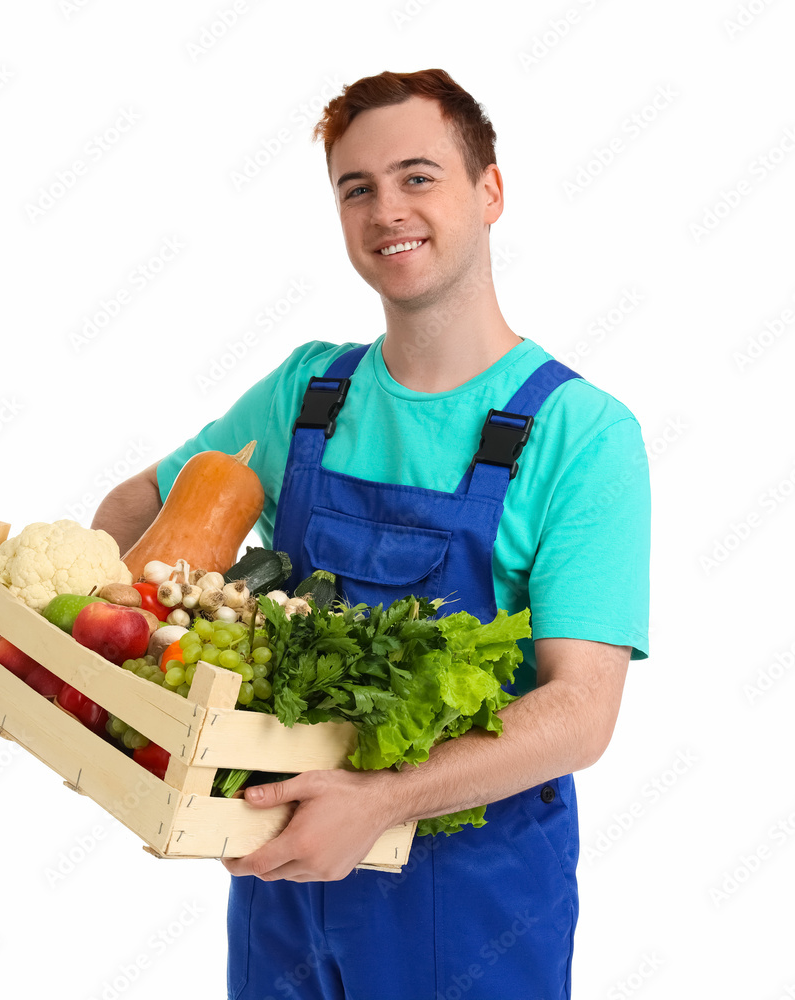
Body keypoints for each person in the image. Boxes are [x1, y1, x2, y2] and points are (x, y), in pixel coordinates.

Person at [92, 68, 650, 1000]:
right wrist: (106, 649)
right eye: (357, 188)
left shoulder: (581, 436)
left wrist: (382, 799)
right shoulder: (306, 395)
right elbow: (136, 512)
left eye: (417, 176)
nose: (387, 208)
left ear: (489, 190)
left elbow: (580, 711)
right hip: (284, 868)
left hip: (473, 890)